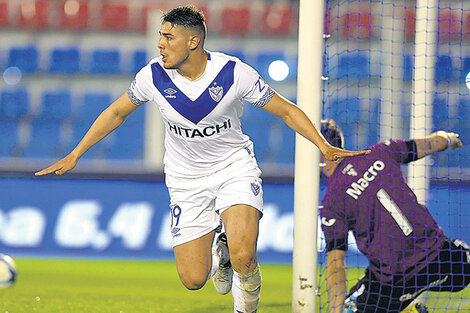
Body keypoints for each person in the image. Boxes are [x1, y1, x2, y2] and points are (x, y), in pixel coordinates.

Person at [35, 6, 369, 313]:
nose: (160, 44)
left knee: (245, 255)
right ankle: (219, 253)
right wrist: (76, 153)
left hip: (233, 168)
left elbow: (286, 110)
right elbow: (117, 112)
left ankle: (243, 303)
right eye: (160, 36)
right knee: (193, 279)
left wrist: (323, 146)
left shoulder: (233, 73)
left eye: (168, 37)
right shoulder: (153, 76)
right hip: (185, 180)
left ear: (193, 41)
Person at [319, 119, 470, 313]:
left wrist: (334, 310)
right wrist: (449, 139)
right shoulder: (380, 151)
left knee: (350, 308)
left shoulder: (332, 199)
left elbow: (336, 263)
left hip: (395, 281)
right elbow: (433, 143)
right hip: (441, 259)